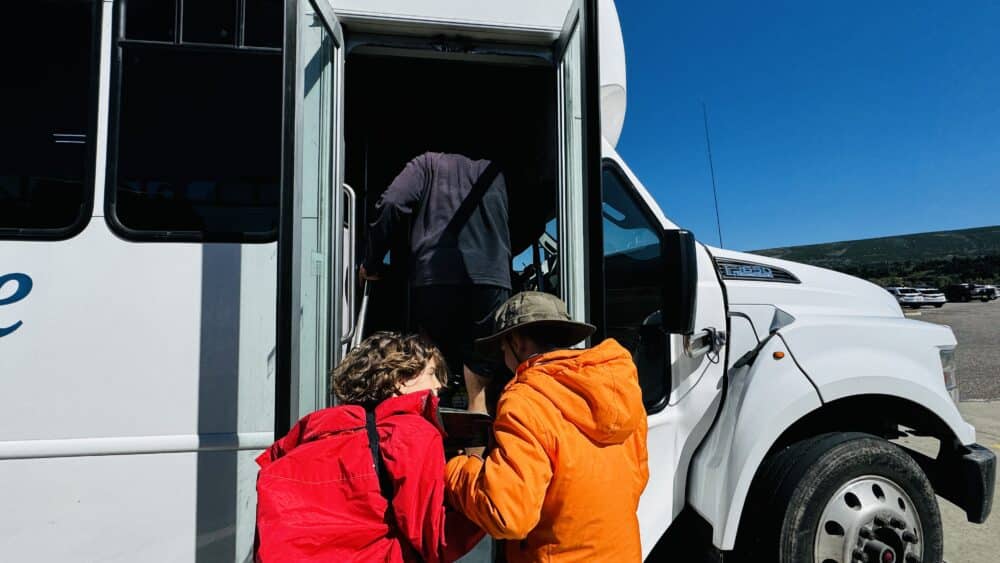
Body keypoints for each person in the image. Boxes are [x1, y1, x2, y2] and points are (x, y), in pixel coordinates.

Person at [444, 292, 650, 562]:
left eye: (503, 349)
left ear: (517, 342)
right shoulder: (620, 389)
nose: (503, 358)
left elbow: (506, 514)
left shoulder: (526, 399)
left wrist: (457, 469)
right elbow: (638, 478)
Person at [255, 332, 482, 562]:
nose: (439, 384)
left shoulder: (316, 424)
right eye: (432, 373)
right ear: (401, 380)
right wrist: (486, 500)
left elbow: (271, 465)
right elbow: (434, 540)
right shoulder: (413, 434)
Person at [360, 151, 512, 412]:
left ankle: (425, 433)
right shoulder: (493, 171)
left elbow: (392, 203)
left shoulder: (426, 163)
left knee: (427, 356)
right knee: (479, 373)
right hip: (492, 279)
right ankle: (474, 448)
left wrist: (371, 262)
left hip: (436, 273)